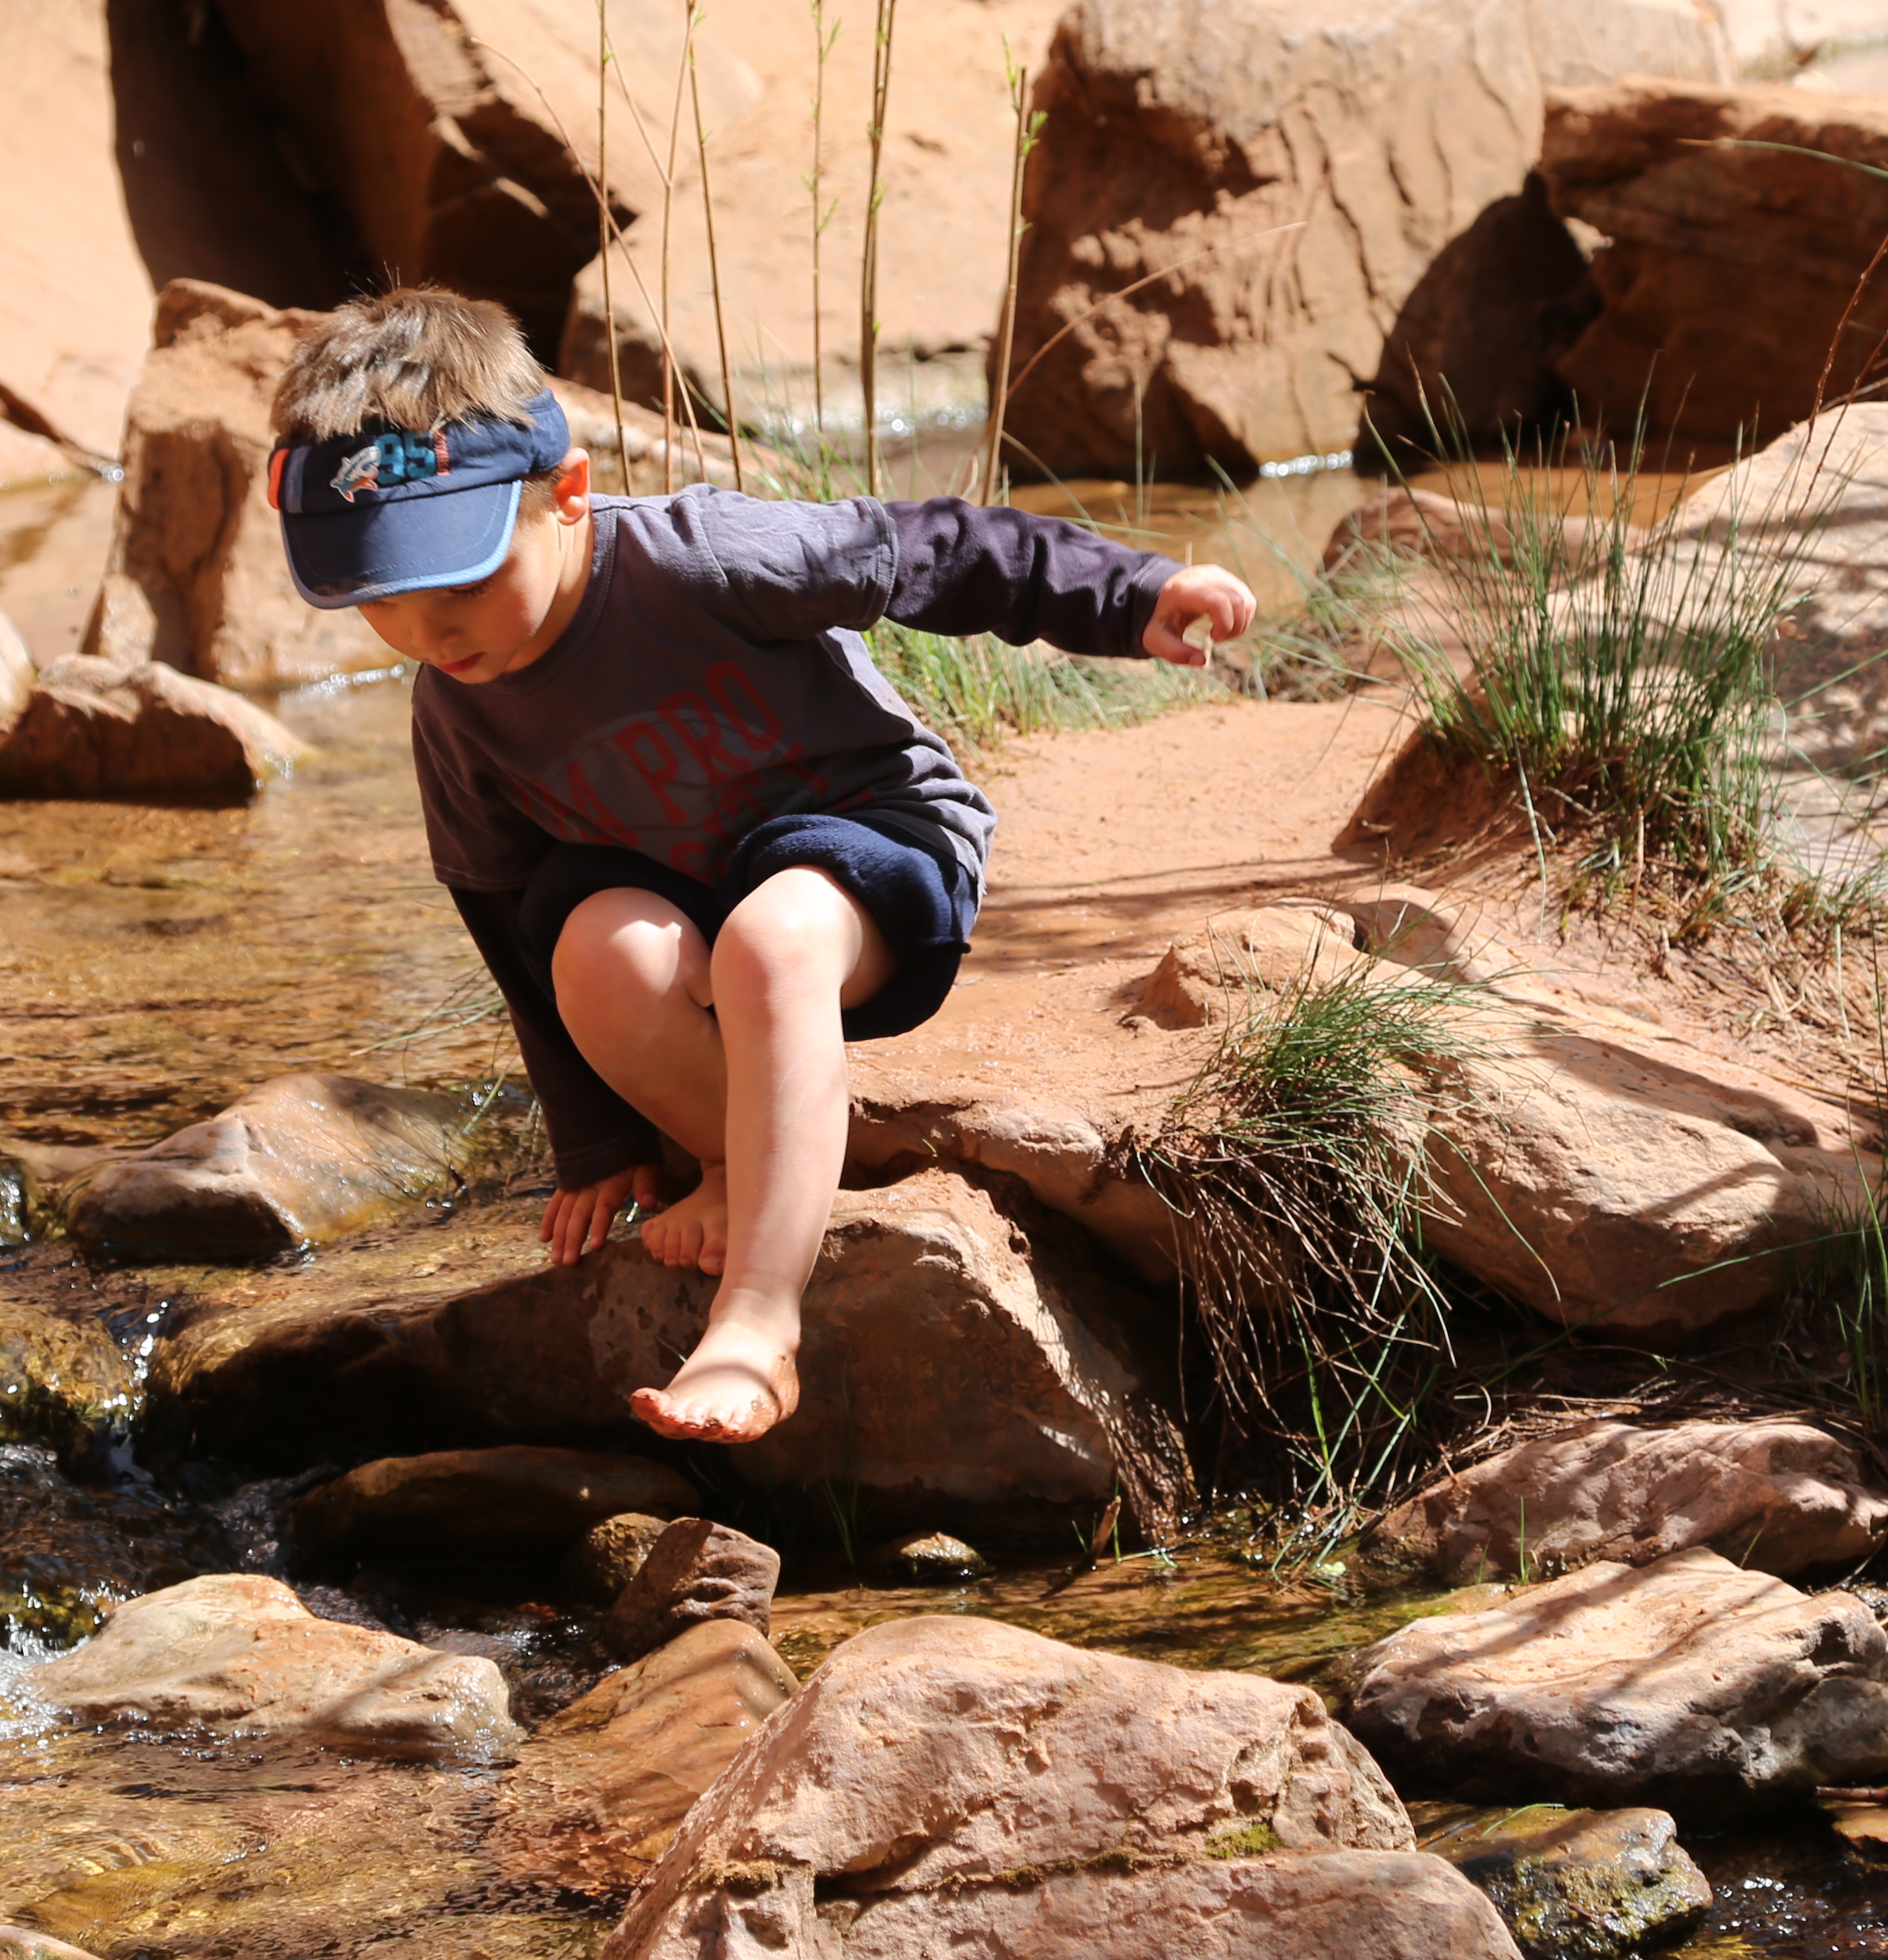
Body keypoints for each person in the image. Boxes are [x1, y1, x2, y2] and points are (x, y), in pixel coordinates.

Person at [270, 287, 1254, 1443]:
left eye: (462, 582)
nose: (433, 635)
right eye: (387, 602)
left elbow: (933, 549)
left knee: (772, 938)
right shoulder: (457, 712)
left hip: (876, 846)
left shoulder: (705, 558)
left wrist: (1130, 594)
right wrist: (597, 1139)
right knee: (594, 948)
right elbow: (497, 910)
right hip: (690, 898)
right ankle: (738, 1157)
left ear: (569, 496)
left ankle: (759, 1320)